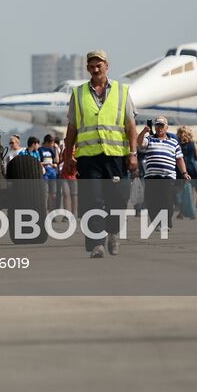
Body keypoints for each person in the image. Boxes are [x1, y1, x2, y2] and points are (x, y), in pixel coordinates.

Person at [61, 50, 138, 259]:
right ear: (87, 68)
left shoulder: (122, 91)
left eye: (99, 65)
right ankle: (97, 244)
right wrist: (68, 156)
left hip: (116, 156)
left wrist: (133, 153)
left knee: (118, 199)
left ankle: (113, 232)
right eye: (92, 66)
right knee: (92, 199)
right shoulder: (78, 94)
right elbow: (72, 128)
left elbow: (131, 126)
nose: (95, 69)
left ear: (107, 66)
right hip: (89, 158)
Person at [137, 117, 188, 229]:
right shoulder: (149, 138)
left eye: (162, 125)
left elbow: (179, 159)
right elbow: (140, 143)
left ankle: (166, 223)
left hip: (168, 176)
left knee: (167, 200)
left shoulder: (173, 142)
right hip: (151, 176)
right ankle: (156, 223)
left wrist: (184, 173)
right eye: (157, 125)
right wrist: (143, 132)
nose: (159, 128)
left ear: (166, 127)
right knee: (152, 201)